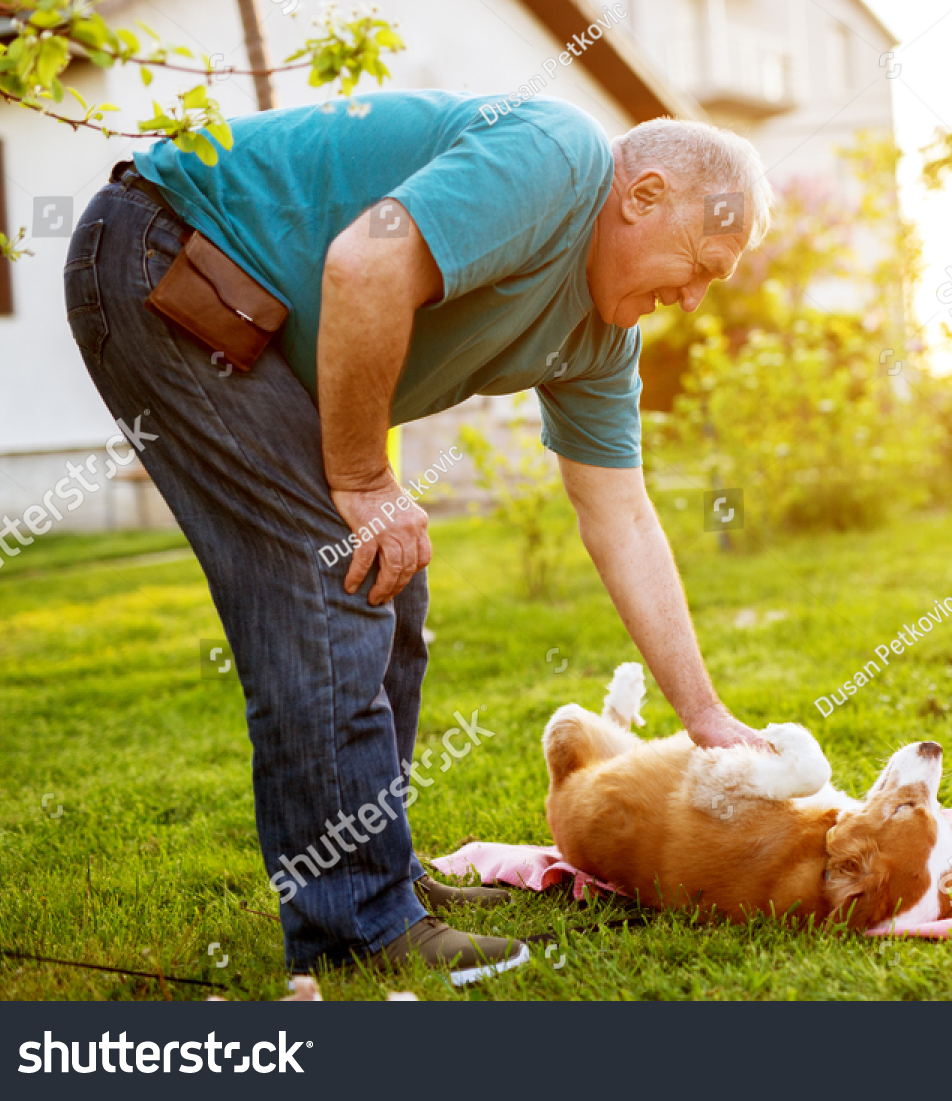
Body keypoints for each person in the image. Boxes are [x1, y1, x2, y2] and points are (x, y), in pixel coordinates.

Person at [62, 90, 774, 983]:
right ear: (644, 195)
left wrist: (705, 717)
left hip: (255, 316)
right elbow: (367, 266)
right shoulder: (559, 159)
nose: (695, 298)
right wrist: (363, 481)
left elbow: (622, 519)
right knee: (339, 574)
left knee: (385, 574)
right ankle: (355, 924)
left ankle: (383, 881)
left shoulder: (602, 339)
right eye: (700, 264)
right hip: (169, 248)